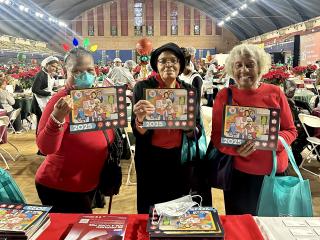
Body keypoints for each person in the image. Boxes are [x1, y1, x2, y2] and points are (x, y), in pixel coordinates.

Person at [211, 44, 297, 215]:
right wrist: (235, 150)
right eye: (238, 65)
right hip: (239, 176)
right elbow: (216, 136)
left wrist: (273, 142)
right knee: (242, 225)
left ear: (259, 67)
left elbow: (291, 131)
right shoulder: (224, 95)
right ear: (232, 68)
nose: (244, 70)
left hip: (273, 175)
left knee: (271, 225)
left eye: (250, 64)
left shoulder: (275, 93)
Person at [35, 47, 115, 213]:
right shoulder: (60, 101)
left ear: (96, 70)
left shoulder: (101, 98)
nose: (84, 76)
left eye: (89, 70)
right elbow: (45, 148)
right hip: (61, 186)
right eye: (77, 72)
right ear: (66, 72)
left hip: (88, 183)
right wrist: (57, 117)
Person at [132, 43, 206, 213]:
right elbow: (138, 132)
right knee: (150, 206)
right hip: (150, 159)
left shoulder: (189, 90)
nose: (168, 65)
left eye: (173, 60)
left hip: (180, 159)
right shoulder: (143, 88)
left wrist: (189, 127)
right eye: (162, 61)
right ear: (156, 65)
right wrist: (141, 119)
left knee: (178, 206)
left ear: (180, 65)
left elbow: (197, 130)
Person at [31, 56, 59, 134]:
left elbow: (47, 87)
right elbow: (34, 90)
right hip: (39, 103)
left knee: (44, 121)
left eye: (55, 67)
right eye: (52, 66)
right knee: (40, 122)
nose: (54, 68)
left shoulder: (48, 74)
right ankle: (39, 137)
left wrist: (54, 90)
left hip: (45, 101)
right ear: (46, 65)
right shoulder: (40, 74)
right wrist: (50, 93)